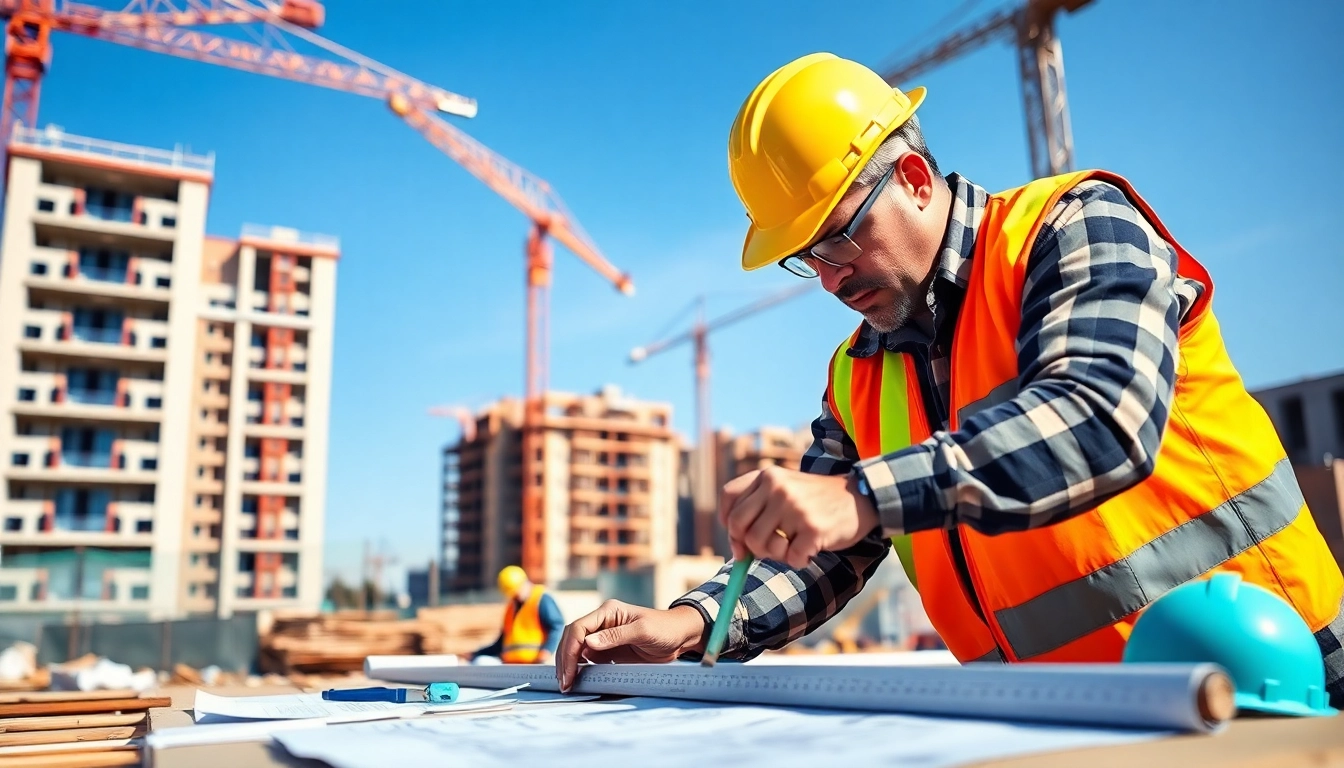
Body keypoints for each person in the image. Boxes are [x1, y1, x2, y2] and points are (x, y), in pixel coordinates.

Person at [557, 52, 1344, 705]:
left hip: (1279, 681)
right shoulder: (858, 373)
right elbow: (822, 549)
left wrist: (861, 494)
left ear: (915, 180)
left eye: (837, 239)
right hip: (1072, 721)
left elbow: (1101, 416)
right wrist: (694, 622)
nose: (830, 281)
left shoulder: (1073, 227)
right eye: (809, 261)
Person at [469, 566, 564, 664]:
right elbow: (501, 644)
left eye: (516, 592)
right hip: (512, 666)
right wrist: (475, 654)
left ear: (524, 584)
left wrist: (547, 651)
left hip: (534, 664)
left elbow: (557, 626)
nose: (515, 596)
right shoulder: (512, 608)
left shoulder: (541, 599)